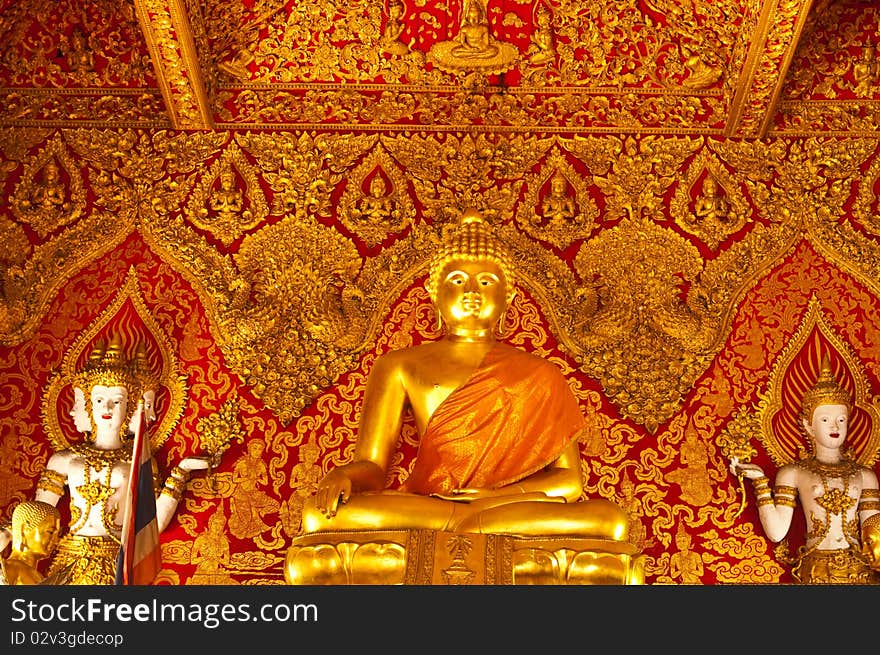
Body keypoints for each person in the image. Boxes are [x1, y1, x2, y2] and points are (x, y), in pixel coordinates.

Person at [304, 208, 629, 540]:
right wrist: (343, 477)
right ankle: (469, 524)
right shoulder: (398, 364)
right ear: (435, 293)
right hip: (436, 504)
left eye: (487, 281)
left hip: (505, 508)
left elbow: (568, 482)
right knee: (319, 515)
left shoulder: (540, 372)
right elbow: (372, 467)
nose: (472, 291)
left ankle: (468, 524)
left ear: (509, 296)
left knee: (611, 519)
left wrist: (491, 499)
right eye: (457, 280)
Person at [1, 335, 213, 584]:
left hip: (116, 559)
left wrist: (181, 471)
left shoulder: (138, 462)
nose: (107, 408)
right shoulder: (65, 459)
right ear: (87, 404)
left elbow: (153, 524)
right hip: (70, 558)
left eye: (118, 401)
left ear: (132, 405)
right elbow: (39, 512)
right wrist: (9, 533)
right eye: (99, 400)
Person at [730, 356, 880, 583]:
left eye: (841, 419)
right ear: (808, 425)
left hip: (858, 571)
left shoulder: (864, 475)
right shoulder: (794, 473)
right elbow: (777, 532)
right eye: (825, 419)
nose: (835, 426)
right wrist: (760, 481)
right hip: (814, 570)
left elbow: (874, 534)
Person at [0, 501, 61, 585]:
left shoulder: (40, 577)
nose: (56, 540)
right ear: (24, 529)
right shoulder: (8, 568)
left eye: (57, 535)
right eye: (50, 532)